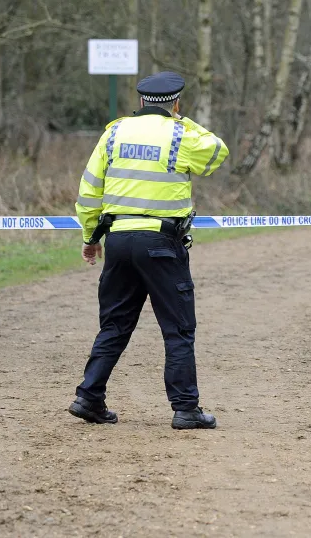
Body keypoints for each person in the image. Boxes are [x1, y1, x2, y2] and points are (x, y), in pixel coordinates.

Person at [68, 71, 229, 430]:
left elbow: (90, 189)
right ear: (175, 102)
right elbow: (217, 152)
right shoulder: (181, 133)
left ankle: (89, 397)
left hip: (119, 242)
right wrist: (182, 120)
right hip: (162, 244)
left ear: (141, 101)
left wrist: (90, 237)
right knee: (178, 328)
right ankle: (186, 408)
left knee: (114, 324)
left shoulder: (113, 132)